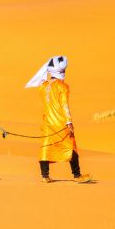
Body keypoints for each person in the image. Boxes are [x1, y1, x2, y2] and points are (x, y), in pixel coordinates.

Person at [25, 55, 92, 183]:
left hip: (48, 123)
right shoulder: (63, 86)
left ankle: (45, 176)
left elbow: (42, 80)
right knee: (71, 147)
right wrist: (69, 122)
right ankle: (77, 175)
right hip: (61, 123)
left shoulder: (43, 86)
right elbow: (64, 105)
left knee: (46, 146)